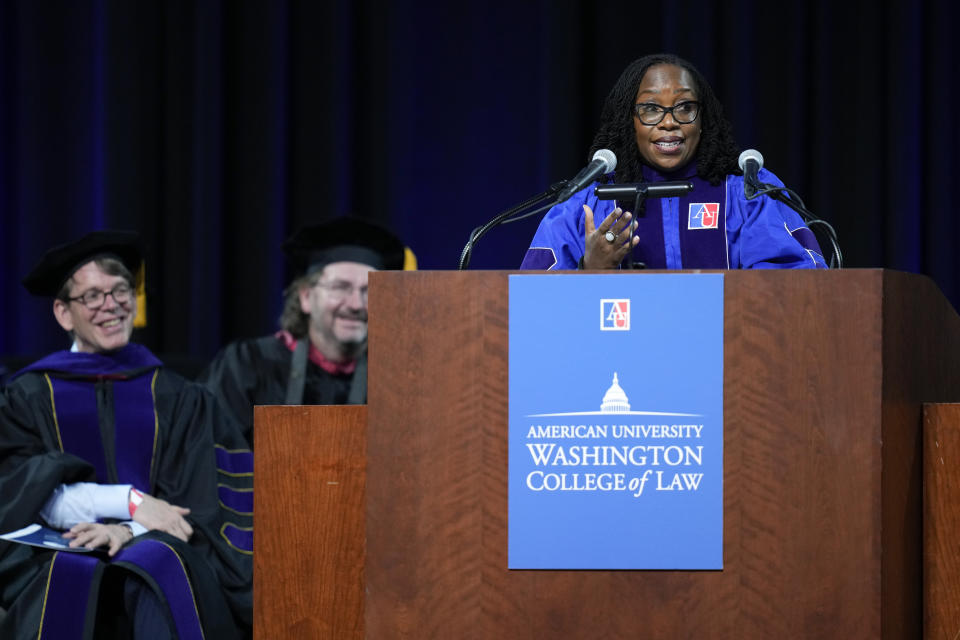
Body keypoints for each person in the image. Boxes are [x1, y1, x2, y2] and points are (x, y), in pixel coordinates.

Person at [0, 230, 252, 639]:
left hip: (160, 547)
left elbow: (195, 505)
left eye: (121, 291)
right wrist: (129, 503)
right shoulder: (27, 395)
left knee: (157, 566)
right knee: (69, 573)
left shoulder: (180, 396)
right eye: (93, 296)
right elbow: (21, 489)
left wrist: (126, 531)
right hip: (52, 552)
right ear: (64, 313)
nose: (111, 305)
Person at [519, 53, 827, 271]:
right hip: (619, 361)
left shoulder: (747, 190)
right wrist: (591, 269)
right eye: (651, 109)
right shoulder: (589, 200)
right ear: (630, 121)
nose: (670, 122)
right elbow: (535, 304)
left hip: (730, 355)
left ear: (703, 119)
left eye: (684, 107)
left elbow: (798, 287)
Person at [198, 216, 408, 447]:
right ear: (306, 296)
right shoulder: (248, 365)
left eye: (370, 291)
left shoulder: (398, 382)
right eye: (341, 288)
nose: (357, 304)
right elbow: (208, 455)